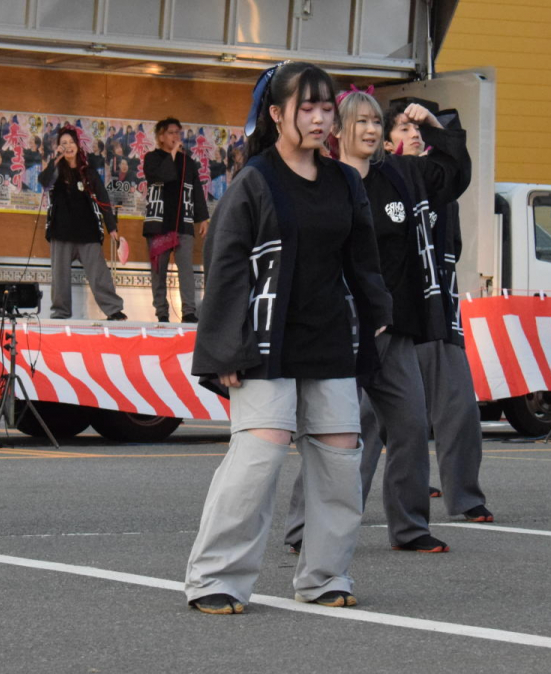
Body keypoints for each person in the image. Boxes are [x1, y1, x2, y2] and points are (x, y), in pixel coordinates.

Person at [184, 62, 393, 615]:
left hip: (329, 337)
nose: (322, 119)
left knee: (341, 456)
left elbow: (363, 258)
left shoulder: (345, 180)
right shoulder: (256, 179)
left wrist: (377, 315)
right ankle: (215, 577)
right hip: (263, 337)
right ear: (276, 114)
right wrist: (225, 346)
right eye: (308, 108)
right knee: (261, 454)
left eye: (328, 108)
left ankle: (325, 576)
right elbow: (225, 264)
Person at [282, 86, 470, 556]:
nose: (369, 129)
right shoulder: (322, 182)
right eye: (360, 122)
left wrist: (431, 123)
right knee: (335, 431)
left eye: (374, 122)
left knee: (408, 425)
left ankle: (409, 527)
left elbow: (454, 173)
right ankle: (303, 527)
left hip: (396, 332)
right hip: (341, 333)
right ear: (339, 131)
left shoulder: (402, 176)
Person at [391, 98, 495, 523]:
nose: (413, 134)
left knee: (459, 410)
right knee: (362, 423)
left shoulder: (438, 182)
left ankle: (465, 498)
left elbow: (457, 164)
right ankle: (313, 518)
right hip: (390, 320)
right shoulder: (378, 178)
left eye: (419, 130)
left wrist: (437, 126)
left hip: (438, 314)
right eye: (403, 128)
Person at [39, 126, 127, 322]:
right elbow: (44, 181)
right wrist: (55, 159)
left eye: (71, 143)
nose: (68, 147)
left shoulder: (88, 172)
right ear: (59, 148)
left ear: (78, 146)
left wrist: (112, 228)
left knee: (99, 274)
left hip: (87, 231)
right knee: (60, 276)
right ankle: (60, 314)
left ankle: (114, 310)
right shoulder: (56, 171)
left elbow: (103, 199)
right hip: (60, 231)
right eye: (63, 144)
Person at [143, 117, 208, 323]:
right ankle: (161, 312)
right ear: (161, 137)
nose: (176, 137)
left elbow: (196, 189)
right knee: (158, 271)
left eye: (178, 133)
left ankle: (189, 311)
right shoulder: (151, 158)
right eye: (171, 133)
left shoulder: (188, 161)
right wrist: (171, 154)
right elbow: (162, 175)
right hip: (159, 223)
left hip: (183, 222)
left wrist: (203, 218)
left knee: (186, 269)